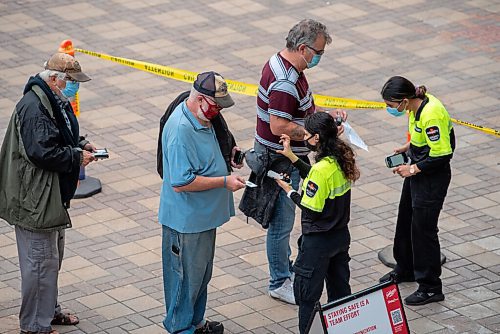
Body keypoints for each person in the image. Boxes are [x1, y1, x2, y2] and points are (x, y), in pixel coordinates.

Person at [239, 18, 346, 305]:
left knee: (283, 221)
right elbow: (278, 125)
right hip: (280, 160)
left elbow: (305, 108)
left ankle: (284, 272)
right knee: (281, 224)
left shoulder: (284, 65)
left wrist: (327, 118)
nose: (320, 57)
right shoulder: (286, 82)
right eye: (319, 52)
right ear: (302, 48)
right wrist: (316, 135)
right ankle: (279, 281)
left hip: (285, 156)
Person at [0, 52, 95, 334]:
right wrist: (76, 157)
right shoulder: (34, 108)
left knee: (50, 260)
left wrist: (81, 144)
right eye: (71, 81)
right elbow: (43, 152)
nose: (74, 87)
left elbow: (58, 135)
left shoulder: (52, 100)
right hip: (35, 201)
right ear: (54, 79)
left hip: (49, 197)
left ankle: (47, 311)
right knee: (40, 264)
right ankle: (34, 326)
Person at [159, 71, 246, 334]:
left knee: (200, 276)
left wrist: (228, 154)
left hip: (204, 216)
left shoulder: (205, 118)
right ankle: (180, 328)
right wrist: (223, 181)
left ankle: (195, 323)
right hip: (186, 222)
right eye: (215, 106)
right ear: (199, 100)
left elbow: (213, 144)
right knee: (184, 281)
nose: (218, 112)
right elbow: (180, 182)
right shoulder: (180, 130)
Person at [274, 112, 359, 333]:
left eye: (307, 134)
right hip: (340, 238)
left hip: (318, 244)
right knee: (340, 294)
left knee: (307, 297)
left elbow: (311, 206)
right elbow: (316, 177)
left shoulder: (322, 170)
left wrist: (289, 190)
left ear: (317, 138)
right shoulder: (339, 159)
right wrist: (292, 156)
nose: (305, 138)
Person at [379, 76, 455, 306]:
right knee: (406, 220)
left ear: (403, 101)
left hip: (432, 177)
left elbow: (442, 154)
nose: (389, 109)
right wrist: (408, 148)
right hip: (419, 171)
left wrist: (412, 168)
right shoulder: (416, 106)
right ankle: (406, 268)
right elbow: (422, 139)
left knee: (424, 231)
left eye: (391, 106)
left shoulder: (431, 112)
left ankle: (431, 286)